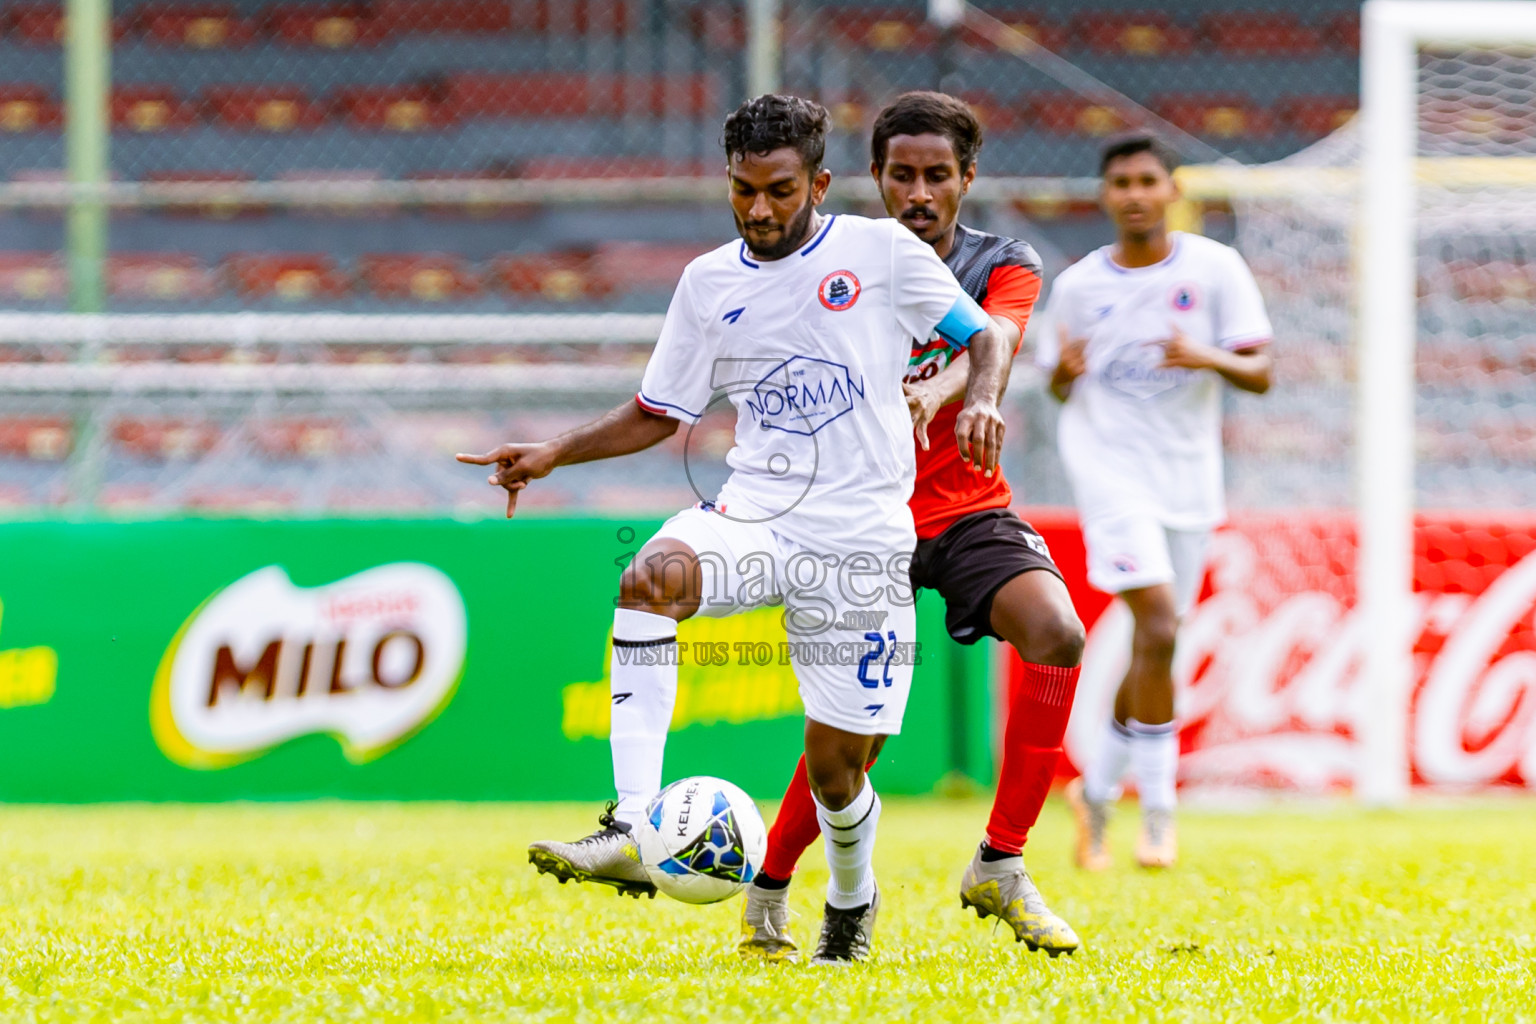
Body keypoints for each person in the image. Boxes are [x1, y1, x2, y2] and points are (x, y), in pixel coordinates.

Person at [460, 94, 1013, 964]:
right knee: (648, 580)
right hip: (755, 517)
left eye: (781, 191)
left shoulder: (880, 252)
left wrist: (978, 399)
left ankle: (850, 896)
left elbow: (984, 338)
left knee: (839, 772)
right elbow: (656, 411)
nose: (759, 209)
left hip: (864, 544)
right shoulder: (708, 282)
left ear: (820, 183)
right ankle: (634, 827)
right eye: (743, 189)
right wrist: (554, 453)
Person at [737, 91, 1086, 963]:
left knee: (1057, 632)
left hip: (967, 509)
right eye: (902, 175)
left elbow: (994, 338)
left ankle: (1000, 864)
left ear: (968, 178)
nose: (919, 192)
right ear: (876, 179)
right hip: (860, 520)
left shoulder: (1004, 262)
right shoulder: (840, 262)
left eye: (938, 175)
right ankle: (774, 882)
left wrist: (945, 392)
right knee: (845, 746)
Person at [1036, 134, 1273, 871]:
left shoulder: (1214, 268)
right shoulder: (1077, 286)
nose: (1135, 194)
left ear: (1172, 190)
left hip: (1189, 480)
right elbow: (1053, 381)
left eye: (1148, 181)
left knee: (1155, 642)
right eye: (1121, 183)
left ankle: (1097, 794)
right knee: (1160, 625)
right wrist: (1064, 374)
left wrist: (1206, 356)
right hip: (1110, 474)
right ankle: (1160, 817)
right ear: (1105, 195)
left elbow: (1260, 370)